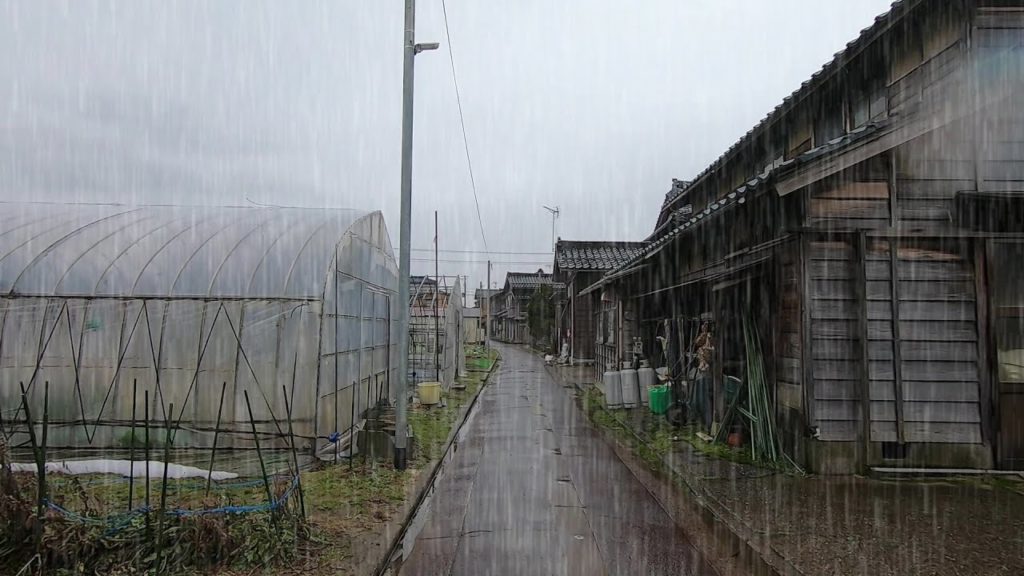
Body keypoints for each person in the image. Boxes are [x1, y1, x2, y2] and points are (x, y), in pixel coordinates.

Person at [690, 322, 714, 429]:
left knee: (706, 401)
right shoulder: (704, 336)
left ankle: (708, 424)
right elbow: (697, 342)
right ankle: (703, 421)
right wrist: (703, 333)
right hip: (701, 373)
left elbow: (709, 355)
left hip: (709, 374)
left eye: (705, 327)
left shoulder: (711, 338)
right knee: (699, 399)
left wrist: (704, 350)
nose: (703, 327)